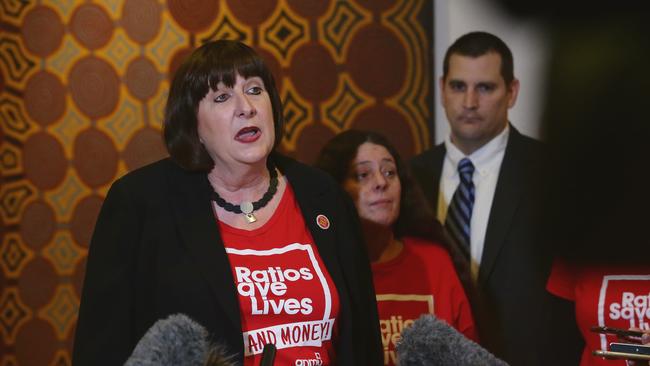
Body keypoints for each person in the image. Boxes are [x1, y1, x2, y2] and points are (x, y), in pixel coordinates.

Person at [72, 40, 382, 366]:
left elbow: (362, 340)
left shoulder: (324, 196)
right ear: (194, 126)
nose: (245, 107)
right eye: (221, 97)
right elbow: (101, 349)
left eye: (254, 90)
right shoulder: (141, 204)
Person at [410, 31, 554, 365]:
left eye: (485, 88)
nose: (470, 102)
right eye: (458, 86)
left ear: (512, 92)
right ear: (442, 88)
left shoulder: (551, 171)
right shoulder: (408, 177)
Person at [315, 129, 477, 366]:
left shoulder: (434, 262)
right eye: (362, 175)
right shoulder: (319, 267)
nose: (381, 182)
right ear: (336, 190)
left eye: (390, 172)